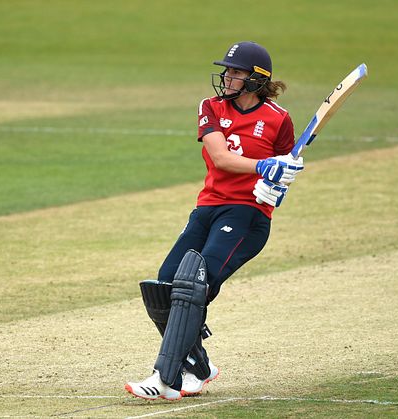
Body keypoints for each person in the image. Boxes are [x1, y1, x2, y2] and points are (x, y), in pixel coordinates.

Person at [124, 41, 304, 401]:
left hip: (247, 216)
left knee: (194, 285)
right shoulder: (211, 107)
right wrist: (262, 166)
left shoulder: (279, 119)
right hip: (208, 207)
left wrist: (278, 186)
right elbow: (220, 158)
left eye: (236, 72)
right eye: (227, 70)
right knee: (164, 284)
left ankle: (164, 378)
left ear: (256, 79)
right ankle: (200, 367)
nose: (227, 77)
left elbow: (285, 170)